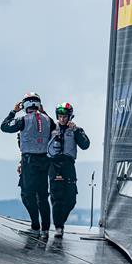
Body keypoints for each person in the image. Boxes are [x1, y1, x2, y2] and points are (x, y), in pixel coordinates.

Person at [1, 92, 56, 236]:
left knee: (27, 195)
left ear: (25, 105)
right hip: (45, 161)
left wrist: (13, 111)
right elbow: (55, 128)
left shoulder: (23, 119)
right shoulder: (48, 120)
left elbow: (4, 126)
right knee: (43, 196)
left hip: (29, 162)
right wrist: (44, 112)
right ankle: (45, 229)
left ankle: (35, 227)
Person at [47, 102, 90, 238]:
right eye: (60, 116)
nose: (62, 119)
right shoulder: (51, 129)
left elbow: (85, 145)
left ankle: (61, 221)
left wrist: (76, 130)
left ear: (70, 116)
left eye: (65, 116)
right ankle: (59, 227)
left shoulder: (75, 129)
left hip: (69, 165)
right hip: (54, 165)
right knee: (56, 197)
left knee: (71, 199)